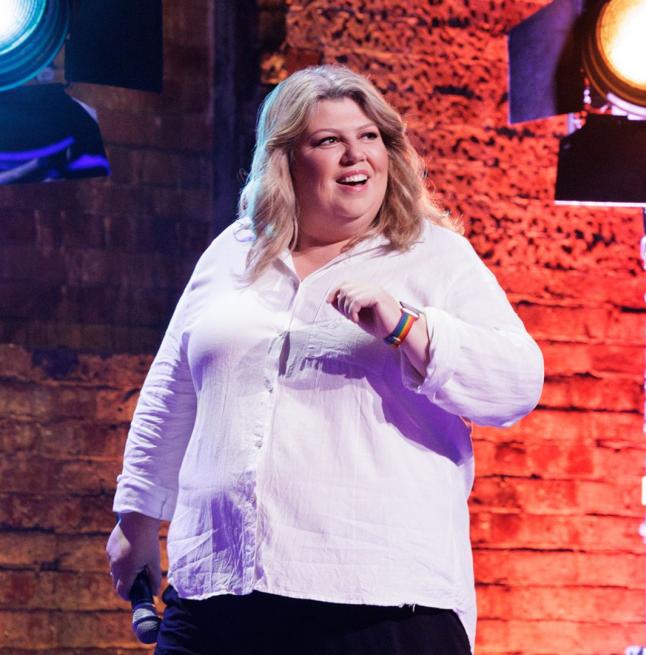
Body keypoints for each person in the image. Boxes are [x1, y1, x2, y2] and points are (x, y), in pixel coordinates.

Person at [107, 64, 544, 655]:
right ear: (286, 158)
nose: (355, 155)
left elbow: (516, 383)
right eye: (329, 141)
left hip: (377, 600)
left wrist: (404, 326)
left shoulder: (433, 256)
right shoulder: (233, 253)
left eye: (369, 137)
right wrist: (135, 520)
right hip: (218, 587)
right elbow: (171, 393)